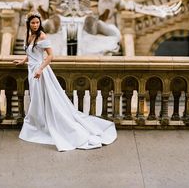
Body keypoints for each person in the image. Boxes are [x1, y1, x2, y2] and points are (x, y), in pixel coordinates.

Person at [13, 11, 117, 151]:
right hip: (32, 70)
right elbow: (30, 53)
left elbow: (50, 56)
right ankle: (39, 123)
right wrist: (22, 61)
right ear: (29, 24)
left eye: (37, 22)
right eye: (33, 23)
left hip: (40, 72)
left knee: (45, 99)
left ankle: (49, 126)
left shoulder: (42, 36)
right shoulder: (28, 35)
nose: (36, 25)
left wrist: (40, 69)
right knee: (36, 98)